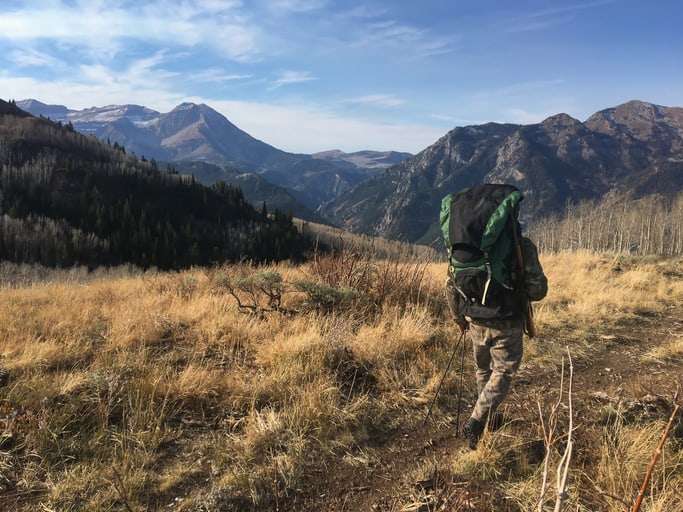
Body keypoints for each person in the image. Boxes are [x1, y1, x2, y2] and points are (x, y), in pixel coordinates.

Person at [443, 186, 548, 450]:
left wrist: (459, 318)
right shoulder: (521, 246)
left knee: (483, 369)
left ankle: (488, 417)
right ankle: (477, 421)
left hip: (474, 319)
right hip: (507, 319)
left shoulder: (462, 247)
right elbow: (538, 290)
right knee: (503, 371)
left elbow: (450, 284)